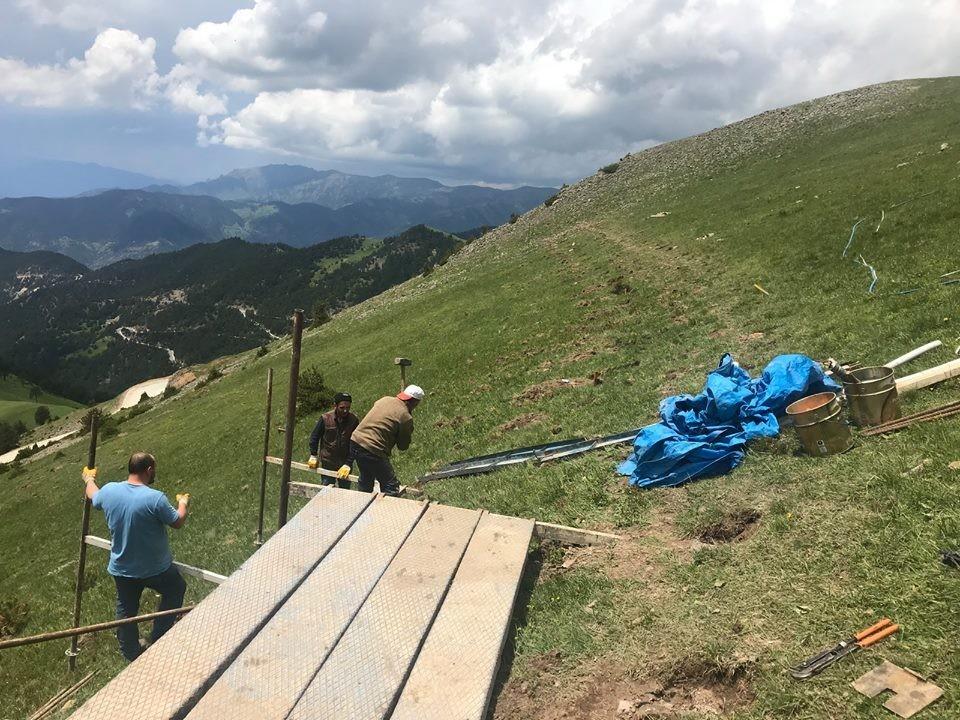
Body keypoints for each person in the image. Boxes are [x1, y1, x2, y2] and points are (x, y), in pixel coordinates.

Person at [81, 452, 189, 662]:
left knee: (126, 611)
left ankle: (131, 653)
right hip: (155, 569)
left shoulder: (111, 490)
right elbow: (177, 522)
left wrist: (89, 478)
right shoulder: (155, 498)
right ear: (149, 470)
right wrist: (183, 502)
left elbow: (93, 494)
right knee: (176, 588)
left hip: (122, 568)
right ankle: (158, 637)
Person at [349, 385, 423, 495]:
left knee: (366, 477)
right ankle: (385, 510)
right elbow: (403, 446)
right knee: (391, 485)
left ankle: (363, 504)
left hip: (355, 441)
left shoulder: (384, 399)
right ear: (415, 402)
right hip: (372, 448)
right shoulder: (405, 416)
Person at [307, 392, 360, 488]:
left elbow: (356, 443)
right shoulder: (325, 418)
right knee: (326, 489)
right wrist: (313, 454)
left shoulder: (353, 420)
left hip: (344, 462)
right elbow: (315, 437)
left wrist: (348, 463)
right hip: (328, 462)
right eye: (342, 407)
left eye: (348, 408)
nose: (345, 411)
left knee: (344, 491)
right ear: (335, 405)